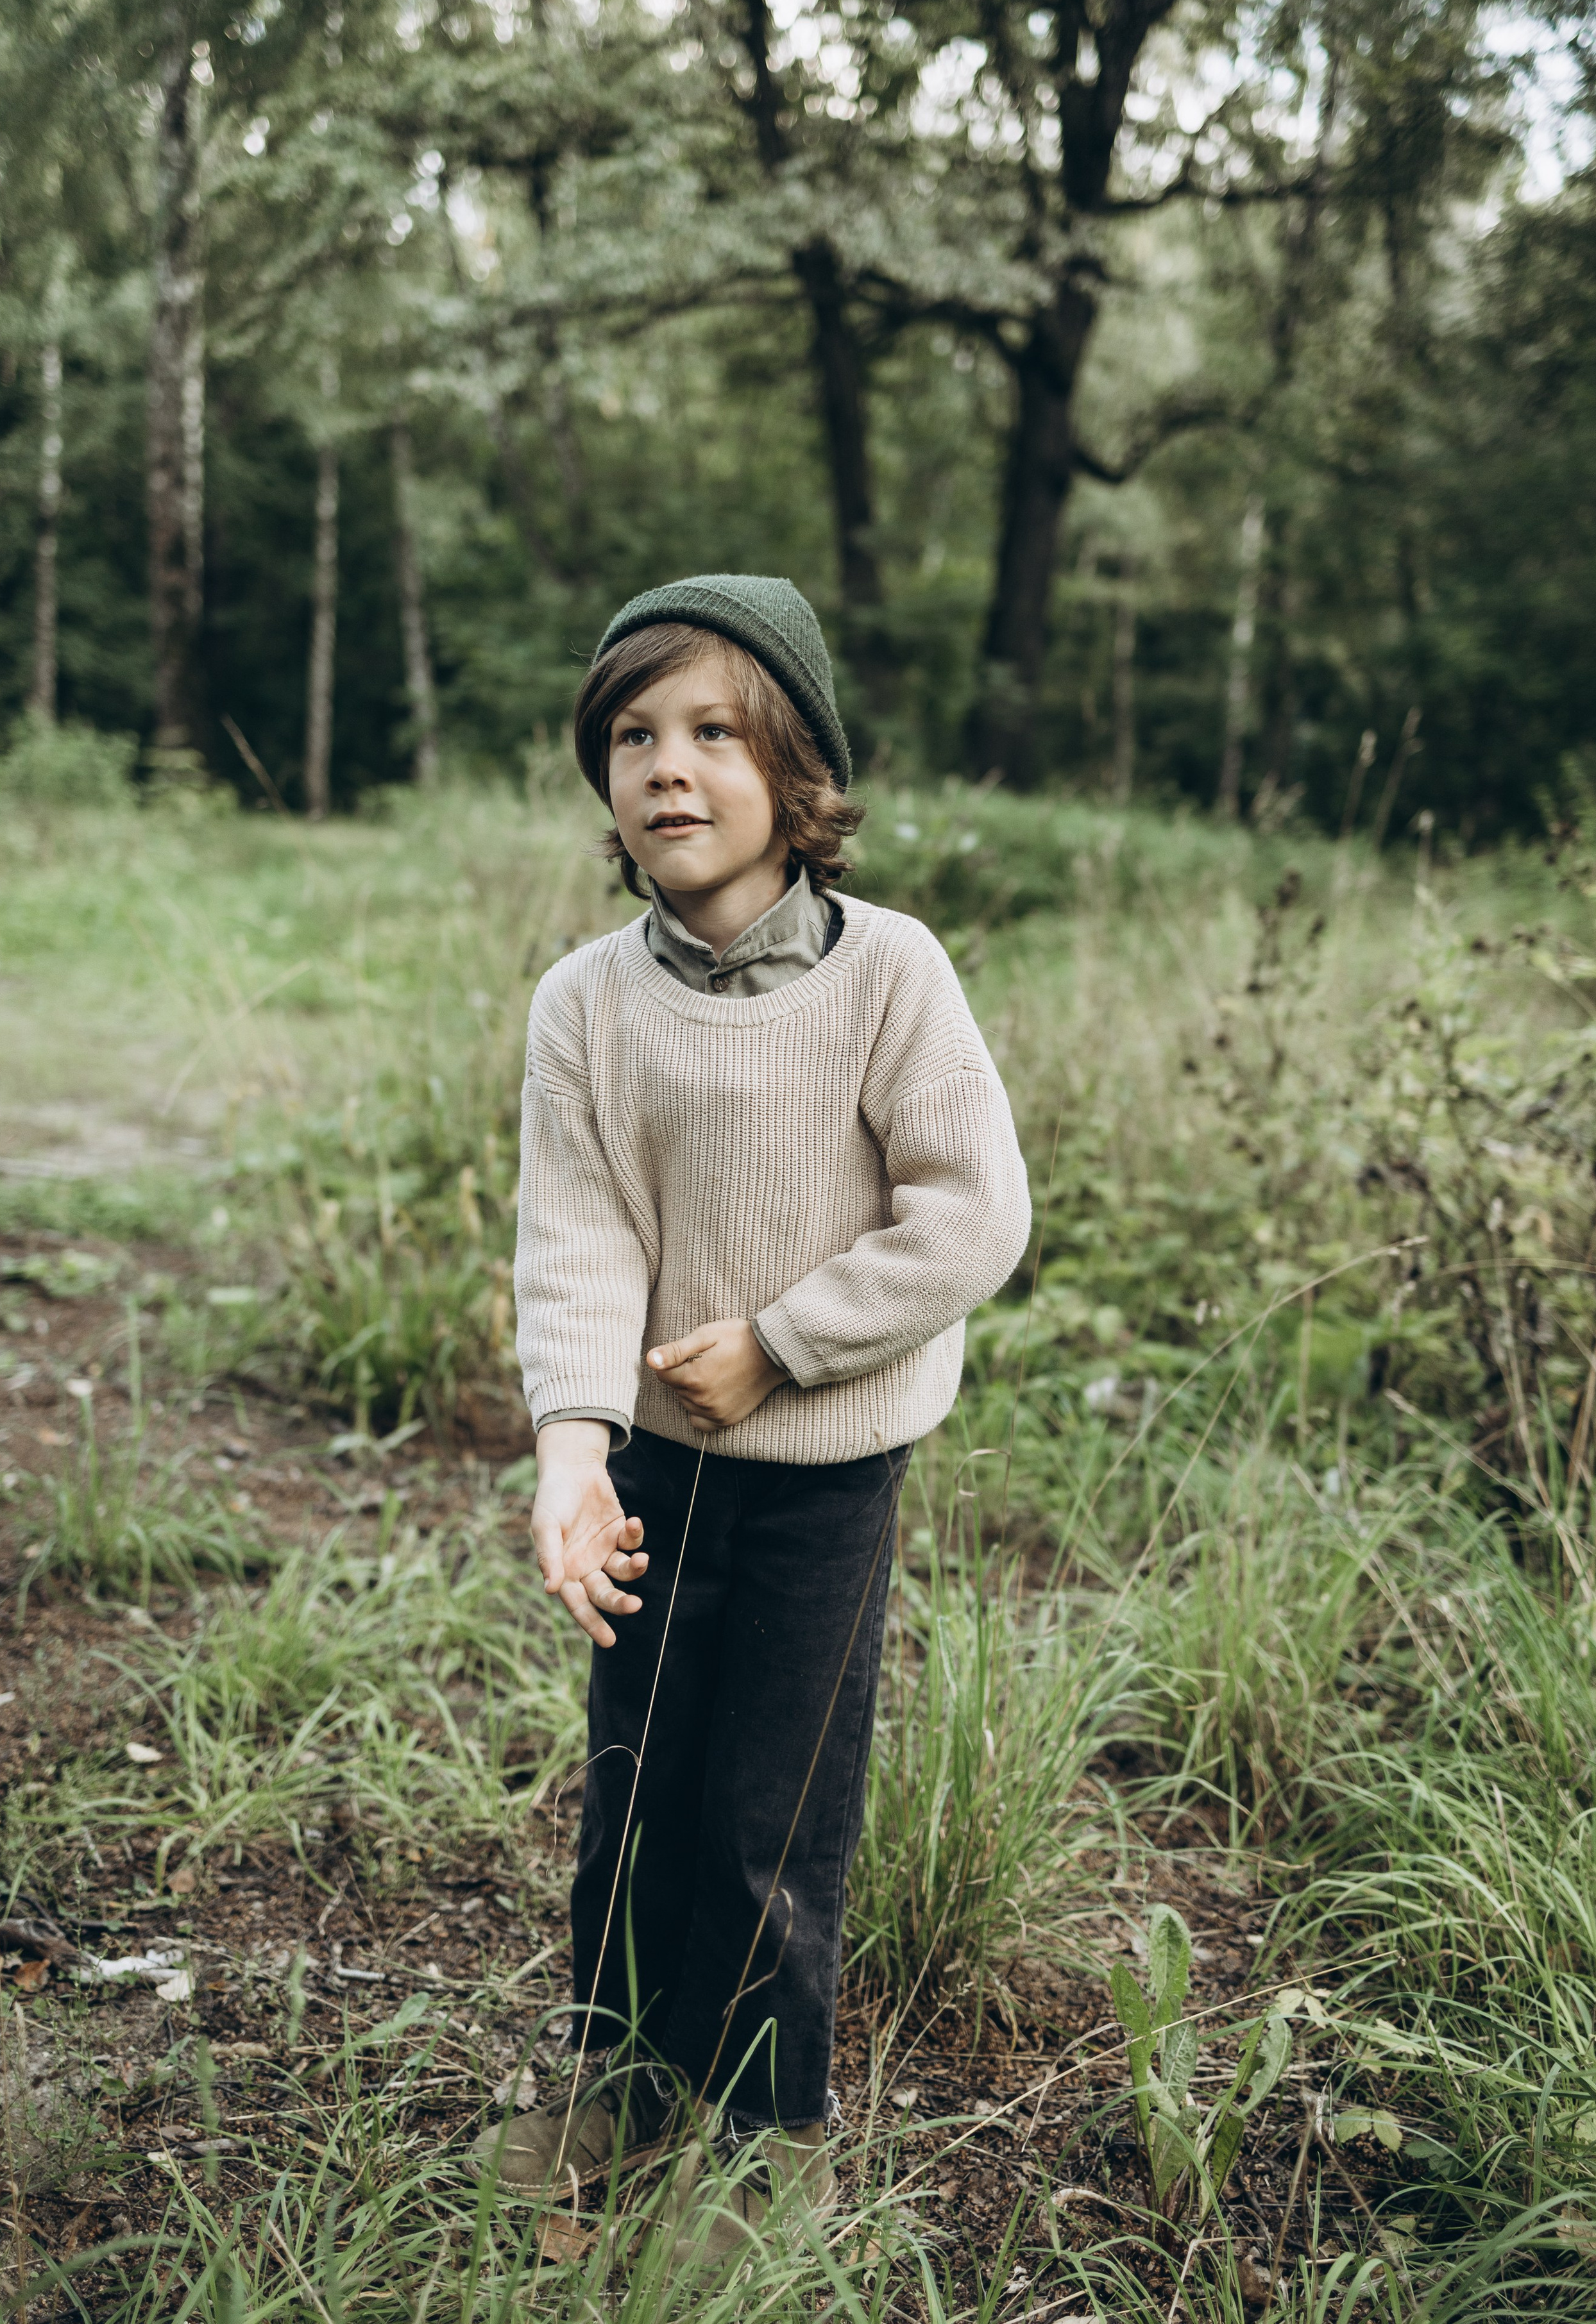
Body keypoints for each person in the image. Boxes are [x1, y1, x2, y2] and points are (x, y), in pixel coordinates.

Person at [479, 573, 1030, 2259]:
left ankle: (768, 2136)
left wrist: (786, 1343)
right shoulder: (587, 1004)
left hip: (825, 1478)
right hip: (652, 1471)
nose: (669, 767)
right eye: (635, 736)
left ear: (799, 779)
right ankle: (620, 2085)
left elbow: (971, 1213)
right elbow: (577, 1239)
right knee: (636, 1794)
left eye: (716, 730)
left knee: (772, 1820)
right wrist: (574, 1456)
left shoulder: (891, 980)